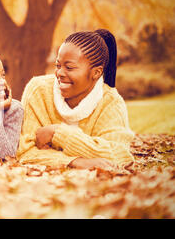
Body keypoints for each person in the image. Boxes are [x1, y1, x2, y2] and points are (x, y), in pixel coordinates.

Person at [17, 29, 134, 169]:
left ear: (96, 73)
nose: (59, 73)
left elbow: (119, 155)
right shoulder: (38, 90)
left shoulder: (110, 102)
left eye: (69, 67)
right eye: (58, 65)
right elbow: (25, 152)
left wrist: (58, 132)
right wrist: (76, 161)